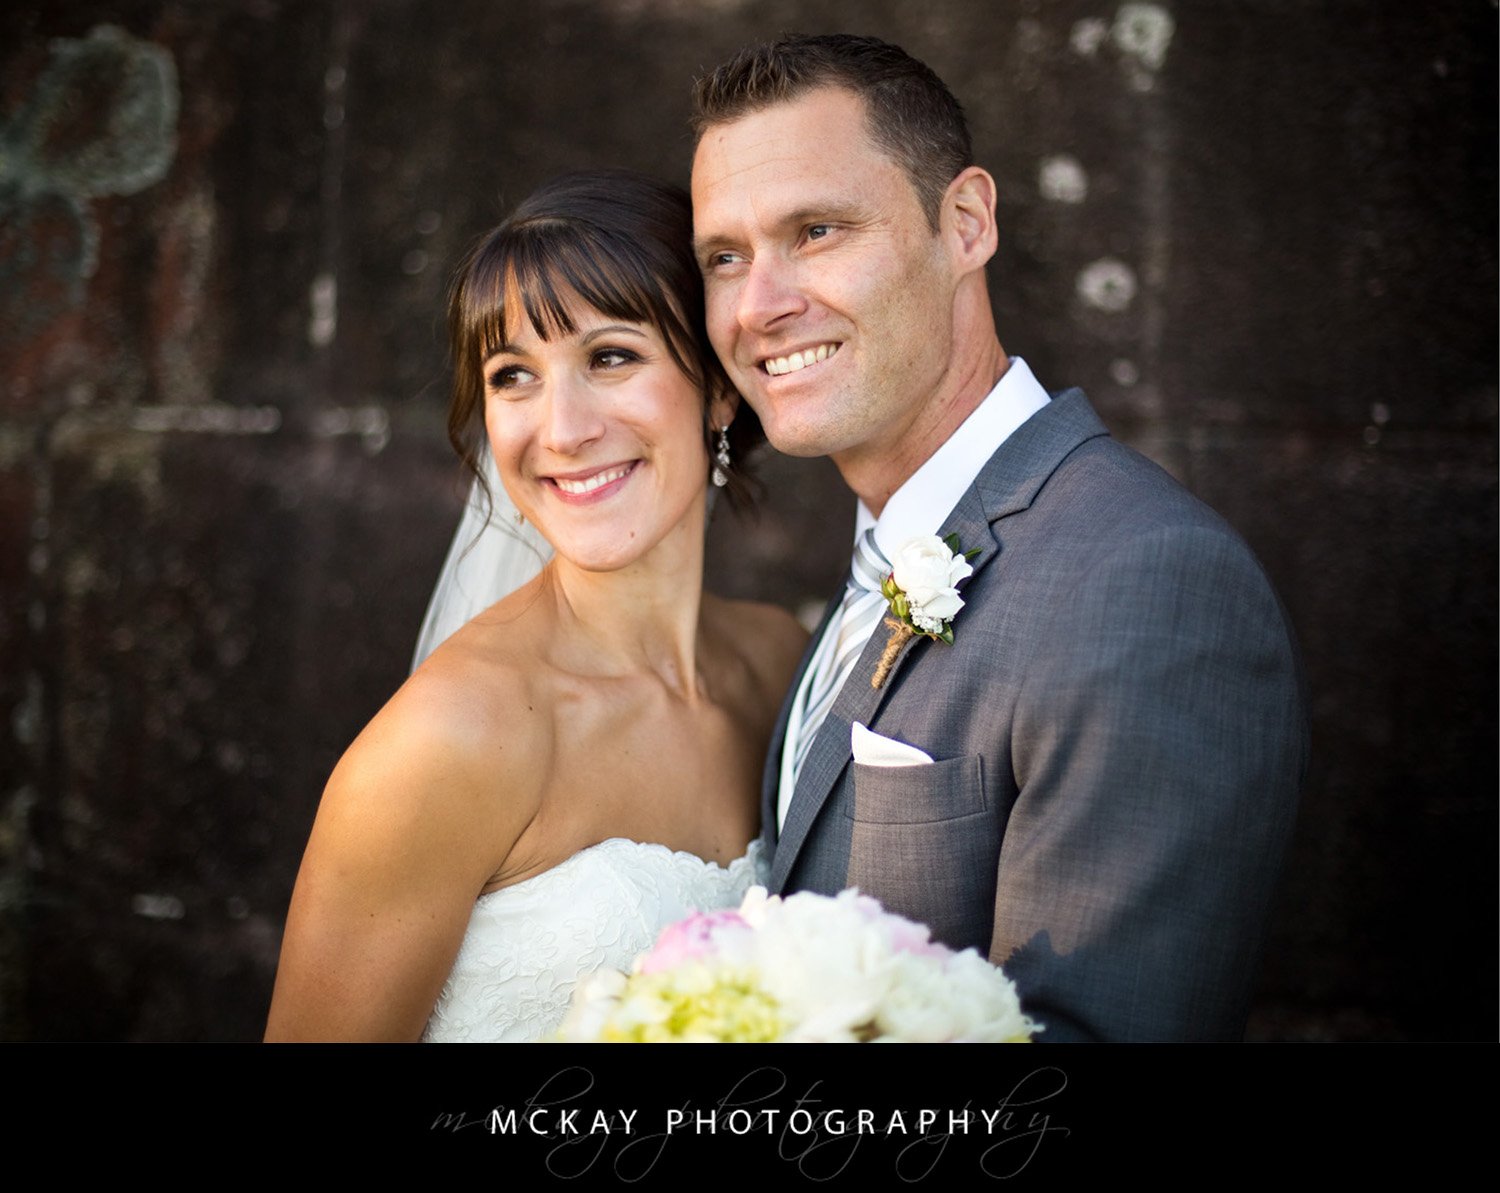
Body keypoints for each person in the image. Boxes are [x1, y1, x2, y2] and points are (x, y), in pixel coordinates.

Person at [690, 35, 1308, 1042]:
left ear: (966, 222)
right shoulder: (881, 553)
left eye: (817, 230)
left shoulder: (1145, 578)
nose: (760, 304)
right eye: (726, 257)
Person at [264, 170, 807, 1042]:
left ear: (718, 386)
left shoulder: (780, 661)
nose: (561, 430)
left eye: (610, 356)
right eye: (513, 375)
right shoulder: (446, 743)